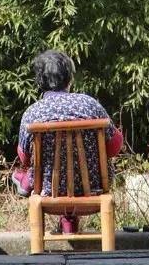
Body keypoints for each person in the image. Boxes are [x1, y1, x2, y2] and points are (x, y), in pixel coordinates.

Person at [13, 49, 123, 234]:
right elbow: (114, 147)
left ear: (40, 81)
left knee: (27, 171)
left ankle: (30, 187)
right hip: (93, 188)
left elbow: (24, 158)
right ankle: (70, 221)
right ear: (69, 78)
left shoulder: (32, 113)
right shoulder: (90, 104)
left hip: (49, 191)